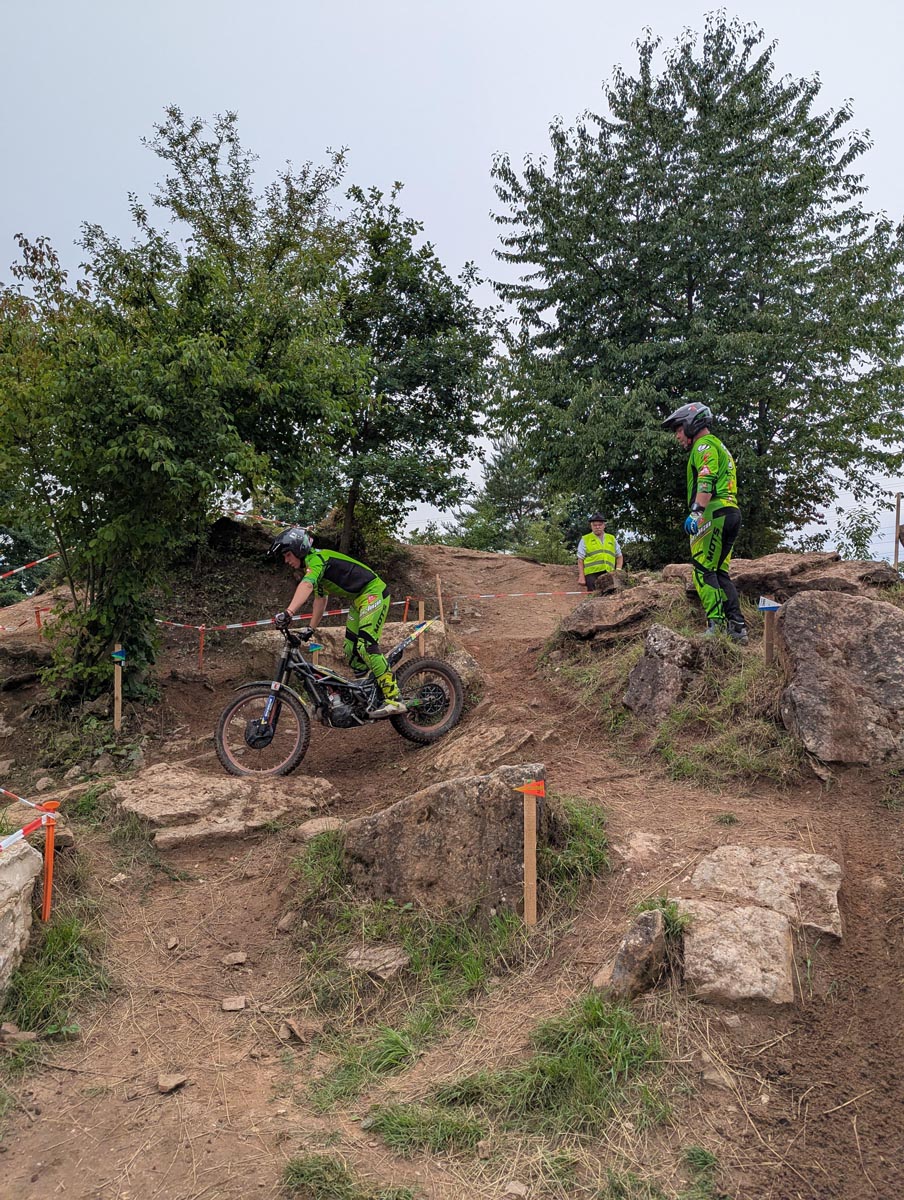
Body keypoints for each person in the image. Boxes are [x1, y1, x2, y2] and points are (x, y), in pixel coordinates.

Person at [267, 527, 406, 718]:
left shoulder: (317, 559)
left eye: (288, 554)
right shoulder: (314, 566)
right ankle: (368, 692)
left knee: (366, 646)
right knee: (350, 649)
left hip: (373, 593)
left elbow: (306, 585)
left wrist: (288, 612)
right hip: (358, 600)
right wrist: (310, 628)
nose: (286, 560)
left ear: (299, 549)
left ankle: (394, 698)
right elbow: (320, 599)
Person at [660, 403, 748, 644]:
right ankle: (737, 627)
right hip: (731, 511)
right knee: (719, 572)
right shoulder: (719, 445)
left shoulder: (703, 445)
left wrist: (697, 511)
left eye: (679, 429)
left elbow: (706, 477)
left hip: (713, 513)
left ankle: (716, 626)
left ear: (691, 424)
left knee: (702, 569)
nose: (677, 436)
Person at [577, 514, 623, 591]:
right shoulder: (585, 539)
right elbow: (580, 559)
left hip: (609, 573)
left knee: (610, 595)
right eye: (595, 525)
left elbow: (619, 556)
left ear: (604, 525)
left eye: (600, 525)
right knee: (594, 596)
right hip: (592, 574)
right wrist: (581, 576)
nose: (597, 527)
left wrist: (618, 570)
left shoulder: (611, 538)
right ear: (591, 526)